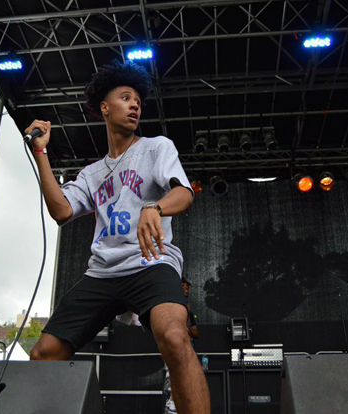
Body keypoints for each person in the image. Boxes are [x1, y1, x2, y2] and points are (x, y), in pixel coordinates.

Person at [26, 60, 210, 413]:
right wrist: (40, 153)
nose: (135, 104)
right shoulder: (92, 173)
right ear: (105, 108)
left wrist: (154, 209)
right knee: (44, 353)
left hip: (151, 262)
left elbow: (184, 194)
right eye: (126, 97)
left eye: (138, 99)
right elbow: (62, 211)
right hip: (103, 272)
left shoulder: (157, 147)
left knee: (174, 335)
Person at [163, 276, 200, 414]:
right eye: (184, 286)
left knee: (187, 384)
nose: (187, 290)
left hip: (187, 350)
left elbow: (196, 333)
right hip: (174, 349)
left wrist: (187, 321)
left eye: (188, 288)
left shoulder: (187, 310)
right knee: (173, 383)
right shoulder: (169, 306)